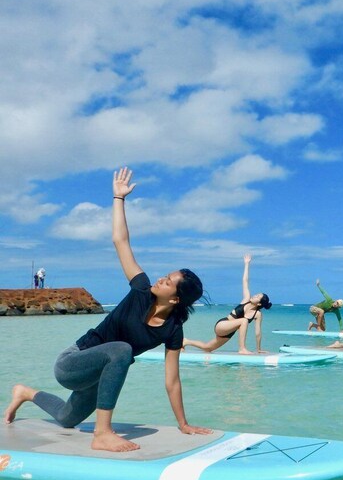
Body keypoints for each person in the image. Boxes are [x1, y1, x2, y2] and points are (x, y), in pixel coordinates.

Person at [4, 168, 211, 452]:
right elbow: (120, 241)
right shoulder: (141, 290)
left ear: (176, 299)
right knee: (122, 350)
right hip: (71, 363)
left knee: (67, 418)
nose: (161, 279)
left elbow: (172, 380)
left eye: (168, 282)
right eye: (165, 275)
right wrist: (118, 198)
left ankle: (24, 392)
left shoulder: (173, 329)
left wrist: (184, 424)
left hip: (100, 375)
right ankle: (102, 433)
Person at [183, 255, 272, 354]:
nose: (254, 295)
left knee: (207, 348)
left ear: (259, 303)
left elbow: (258, 332)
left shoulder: (258, 314)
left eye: (257, 296)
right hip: (222, 325)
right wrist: (247, 264)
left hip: (229, 332)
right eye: (256, 294)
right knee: (244, 321)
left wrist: (259, 348)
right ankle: (242, 348)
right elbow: (245, 281)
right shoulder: (246, 299)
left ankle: (186, 341)